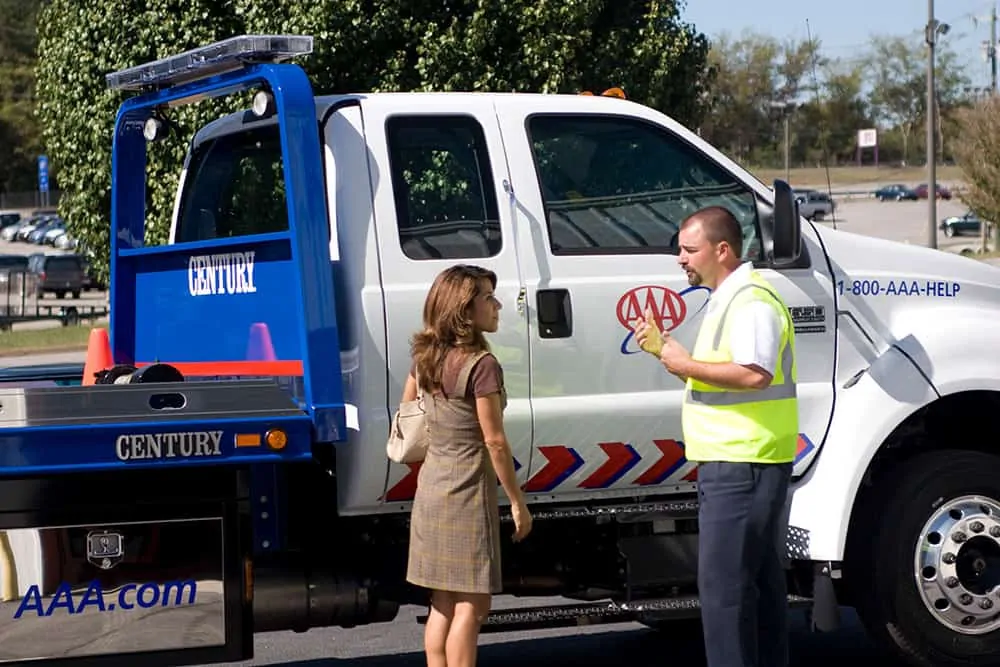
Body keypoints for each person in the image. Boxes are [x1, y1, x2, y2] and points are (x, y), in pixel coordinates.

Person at [633, 206, 798, 667]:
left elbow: (753, 374)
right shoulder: (730, 299)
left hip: (742, 466)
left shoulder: (750, 301)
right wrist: (668, 352)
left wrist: (684, 365)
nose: (680, 259)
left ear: (722, 250)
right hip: (740, 463)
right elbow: (722, 376)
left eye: (689, 249)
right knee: (753, 590)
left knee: (725, 595)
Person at [403, 264, 533, 667]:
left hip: (432, 486)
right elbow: (494, 440)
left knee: (442, 601)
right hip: (466, 491)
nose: (497, 306)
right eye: (488, 298)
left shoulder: (426, 355)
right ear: (465, 309)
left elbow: (408, 408)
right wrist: (516, 501)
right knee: (473, 605)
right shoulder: (481, 365)